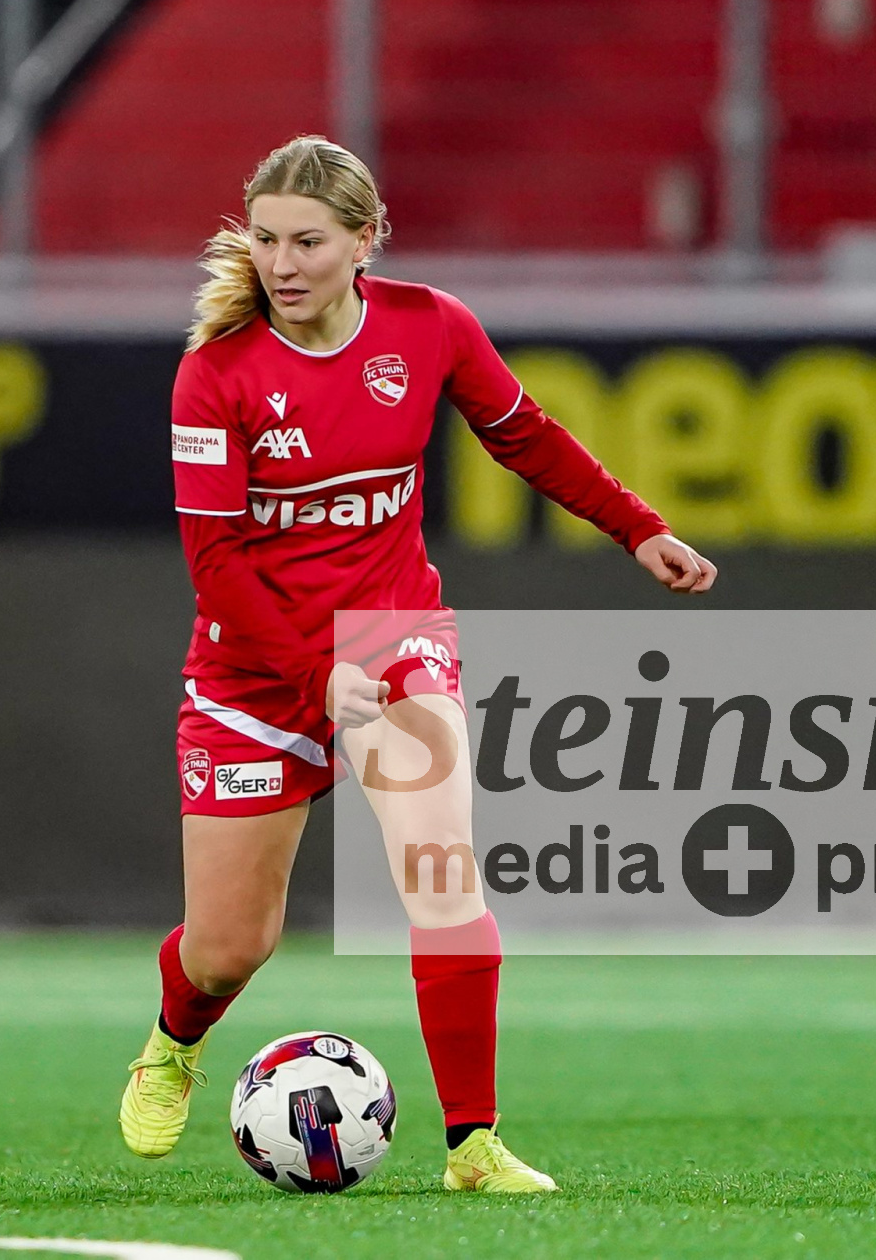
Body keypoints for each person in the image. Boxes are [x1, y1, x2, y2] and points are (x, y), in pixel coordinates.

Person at [119, 136, 717, 1193]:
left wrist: (636, 526)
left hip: (392, 640)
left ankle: (472, 1144)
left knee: (442, 878)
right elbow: (216, 566)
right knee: (228, 949)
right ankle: (172, 1042)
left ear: (365, 240)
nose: (281, 263)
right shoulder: (214, 375)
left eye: (307, 241)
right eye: (265, 240)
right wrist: (313, 675)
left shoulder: (428, 326)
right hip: (254, 672)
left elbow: (525, 434)